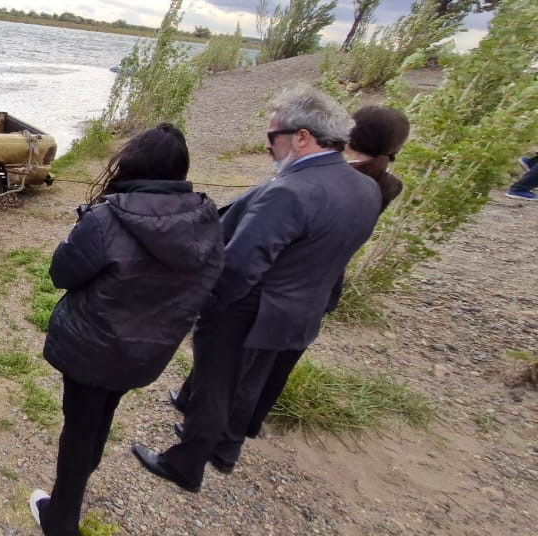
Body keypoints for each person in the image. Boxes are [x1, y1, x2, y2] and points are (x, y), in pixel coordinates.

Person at [131, 86, 382, 493]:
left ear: (302, 137)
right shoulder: (364, 186)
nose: (268, 145)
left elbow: (240, 266)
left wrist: (204, 304)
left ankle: (185, 464)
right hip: (304, 307)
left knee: (214, 387)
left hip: (249, 310)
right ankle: (226, 450)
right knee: (254, 383)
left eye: (272, 136)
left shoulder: (290, 191)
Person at [27, 124, 224, 535]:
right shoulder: (206, 217)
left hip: (92, 345)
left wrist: (78, 232)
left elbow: (62, 273)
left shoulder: (106, 218)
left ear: (133, 163)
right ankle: (84, 471)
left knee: (79, 425)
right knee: (102, 412)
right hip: (148, 347)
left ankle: (61, 518)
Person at [168, 104, 411, 436]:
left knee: (243, 368)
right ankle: (197, 408)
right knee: (234, 361)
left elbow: (276, 231)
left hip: (278, 285)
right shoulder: (375, 180)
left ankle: (219, 438)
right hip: (312, 286)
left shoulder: (344, 178)